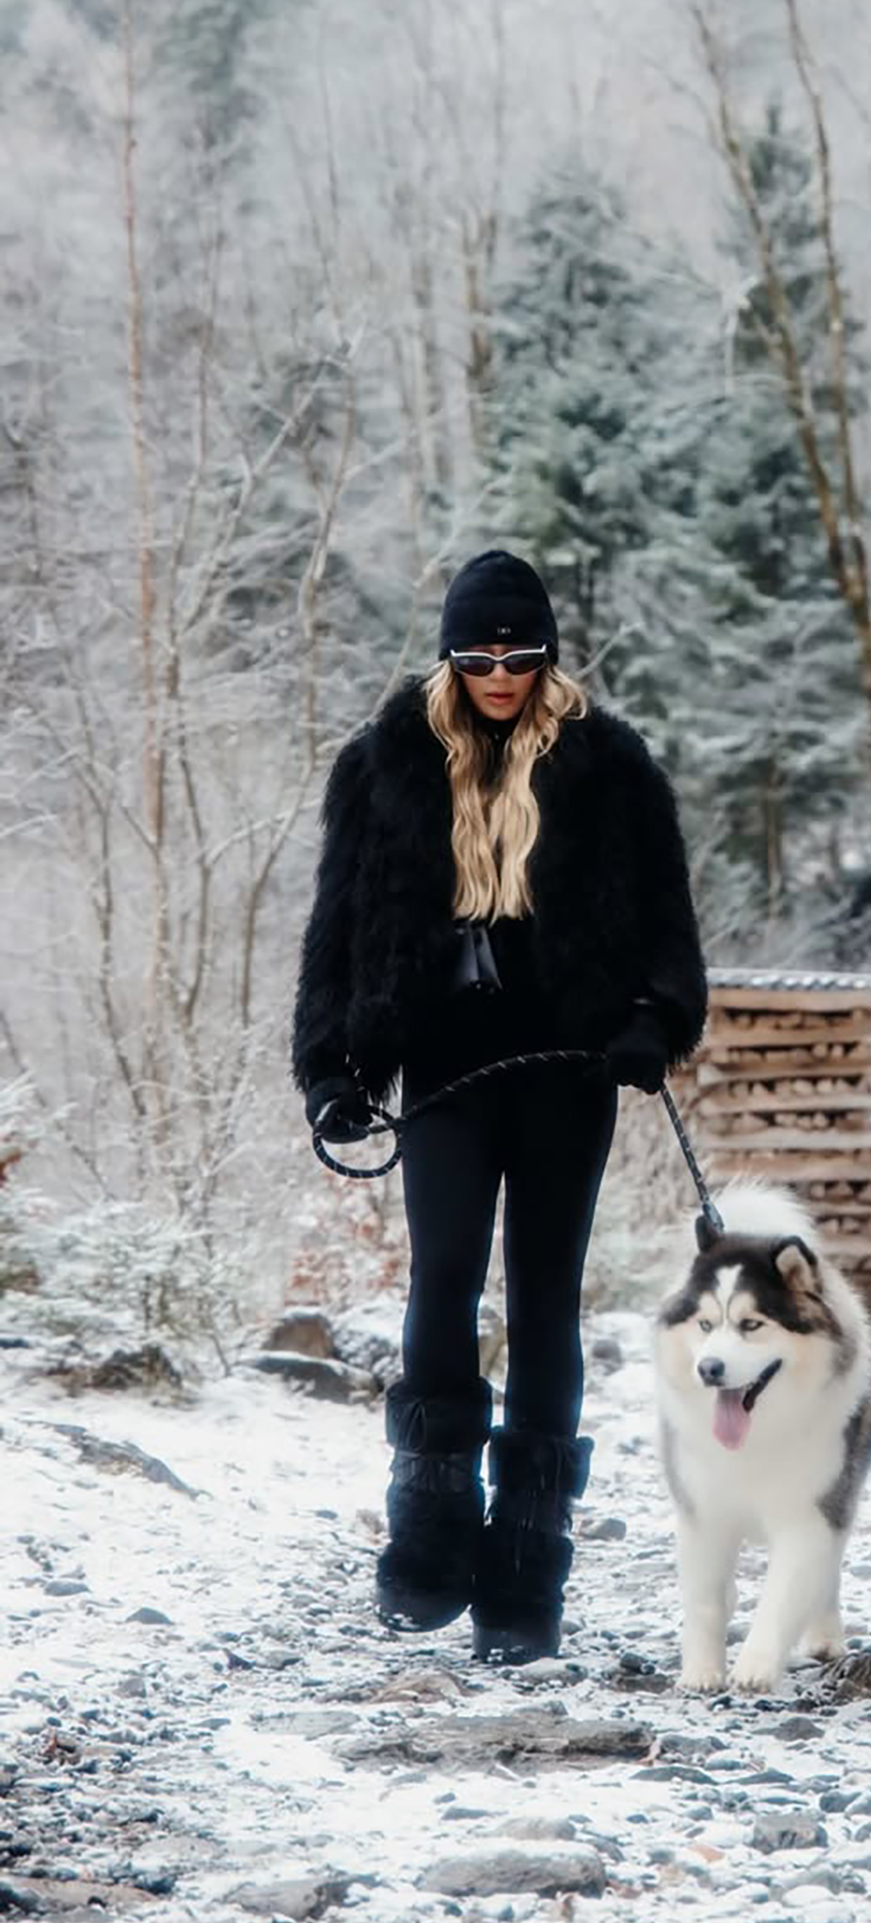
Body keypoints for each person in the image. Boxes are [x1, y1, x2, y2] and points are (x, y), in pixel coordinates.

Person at [292, 550, 707, 1663]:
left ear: (547, 654)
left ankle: (526, 1569)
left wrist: (652, 1020)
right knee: (440, 1277)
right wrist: (330, 1066)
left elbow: (668, 921)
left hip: (568, 1062)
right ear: (449, 655)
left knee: (544, 1299)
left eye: (520, 655)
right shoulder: (384, 766)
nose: (500, 673)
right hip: (442, 1063)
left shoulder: (612, 766)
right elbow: (338, 927)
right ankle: (427, 1542)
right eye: (478, 655)